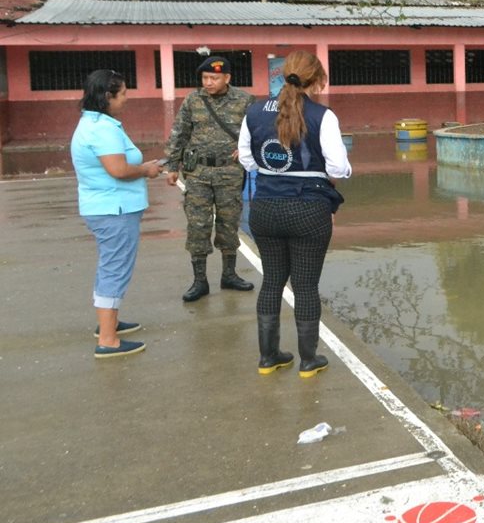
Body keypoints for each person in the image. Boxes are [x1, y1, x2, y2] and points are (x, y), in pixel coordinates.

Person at [239, 51, 351, 377]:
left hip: (265, 208)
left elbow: (247, 159)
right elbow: (337, 168)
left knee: (272, 281)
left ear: (283, 75)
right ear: (316, 80)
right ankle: (308, 361)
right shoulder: (323, 116)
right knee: (304, 286)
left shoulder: (255, 112)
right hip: (308, 210)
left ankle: (268, 357)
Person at [70, 69, 163, 358]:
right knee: (115, 268)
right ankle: (108, 340)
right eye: (123, 93)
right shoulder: (102, 129)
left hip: (105, 206)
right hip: (114, 209)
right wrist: (146, 169)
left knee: (110, 265)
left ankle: (108, 324)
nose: (126, 98)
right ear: (108, 96)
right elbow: (119, 170)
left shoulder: (93, 122)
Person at [164, 55, 256, 302]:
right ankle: (200, 281)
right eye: (205, 77)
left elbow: (257, 131)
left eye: (214, 77)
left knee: (229, 222)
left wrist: (247, 149)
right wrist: (172, 165)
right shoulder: (194, 100)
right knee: (198, 225)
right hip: (198, 174)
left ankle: (229, 274)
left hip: (229, 173)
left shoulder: (245, 101)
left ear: (227, 78)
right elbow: (179, 132)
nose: (208, 82)